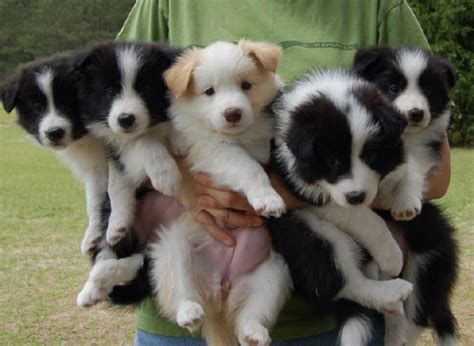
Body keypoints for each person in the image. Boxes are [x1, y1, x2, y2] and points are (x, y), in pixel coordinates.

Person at [116, 0, 451, 344]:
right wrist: (187, 183)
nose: (231, 106)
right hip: (184, 313)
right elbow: (115, 120)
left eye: (246, 86)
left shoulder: (378, 7)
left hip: (317, 314)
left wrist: (297, 192)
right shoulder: (166, 5)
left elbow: (435, 173)